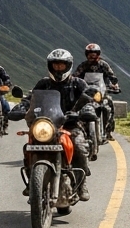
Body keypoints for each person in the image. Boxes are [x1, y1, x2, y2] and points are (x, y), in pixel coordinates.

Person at [10, 48, 93, 201]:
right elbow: (30, 98)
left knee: (79, 146)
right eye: (55, 65)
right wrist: (21, 107)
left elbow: (88, 100)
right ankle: (32, 183)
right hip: (46, 125)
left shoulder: (78, 83)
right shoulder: (44, 83)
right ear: (50, 66)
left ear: (68, 66)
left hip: (70, 125)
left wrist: (85, 110)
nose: (58, 68)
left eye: (62, 65)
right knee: (29, 147)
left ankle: (82, 184)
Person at [73, 42, 121, 138]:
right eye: (90, 54)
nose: (92, 56)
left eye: (94, 54)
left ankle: (108, 131)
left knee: (109, 106)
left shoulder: (103, 65)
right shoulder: (83, 66)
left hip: (101, 90)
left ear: (98, 54)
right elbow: (75, 76)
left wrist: (115, 85)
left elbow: (112, 76)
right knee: (76, 105)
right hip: (87, 91)